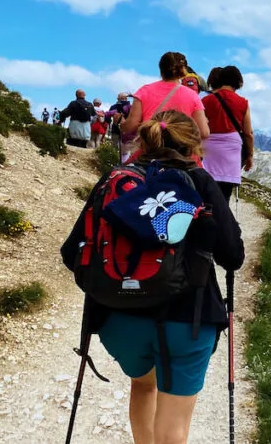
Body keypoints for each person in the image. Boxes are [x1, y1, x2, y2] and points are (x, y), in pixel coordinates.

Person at [61, 111, 244, 444]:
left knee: (143, 386)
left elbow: (71, 251)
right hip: (188, 320)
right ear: (194, 146)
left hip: (119, 320)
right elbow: (232, 256)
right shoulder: (200, 181)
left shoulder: (116, 178)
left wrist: (123, 282)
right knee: (173, 428)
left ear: (144, 140)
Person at [120, 53, 210, 163]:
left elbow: (130, 126)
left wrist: (121, 123)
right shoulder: (192, 96)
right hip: (183, 159)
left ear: (161, 69)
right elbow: (204, 133)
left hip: (149, 155)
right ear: (183, 71)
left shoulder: (144, 91)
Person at [201, 66, 254, 201]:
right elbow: (248, 133)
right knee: (225, 190)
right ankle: (223, 216)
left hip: (209, 147)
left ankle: (208, 214)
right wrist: (249, 156)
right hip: (231, 149)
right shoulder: (243, 102)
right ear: (238, 82)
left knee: (207, 188)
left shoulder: (206, 101)